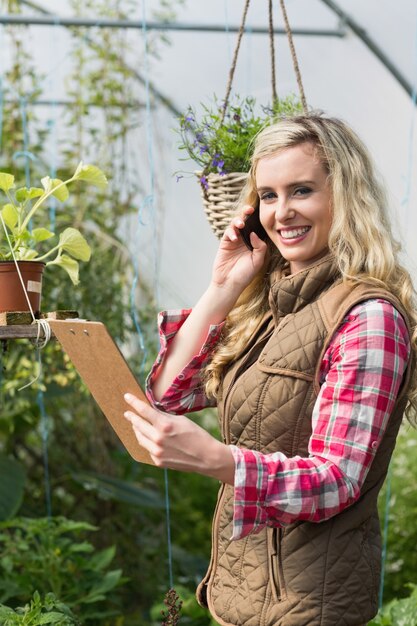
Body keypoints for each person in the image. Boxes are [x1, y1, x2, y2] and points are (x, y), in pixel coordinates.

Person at [123, 114, 417, 626]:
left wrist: (219, 460)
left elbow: (337, 480)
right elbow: (169, 394)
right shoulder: (270, 304)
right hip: (241, 596)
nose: (282, 213)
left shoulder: (368, 317)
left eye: (301, 190)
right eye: (269, 195)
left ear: (344, 197)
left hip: (311, 605)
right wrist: (223, 286)